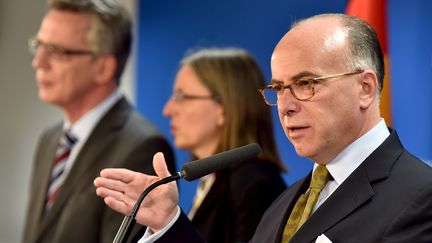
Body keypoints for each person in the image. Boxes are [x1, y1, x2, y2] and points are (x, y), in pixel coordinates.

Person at [94, 13, 432, 243]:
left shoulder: (421, 197)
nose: (286, 105)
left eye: (306, 83)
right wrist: (169, 223)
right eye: (279, 88)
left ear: (365, 88)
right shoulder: (285, 203)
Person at [23, 0, 176, 242]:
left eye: (57, 51)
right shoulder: (50, 139)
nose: (39, 62)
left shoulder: (142, 146)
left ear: (103, 68)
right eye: (39, 46)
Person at [132, 48, 286, 243]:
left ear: (223, 108)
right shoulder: (214, 181)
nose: (167, 110)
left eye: (182, 97)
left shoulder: (254, 185)